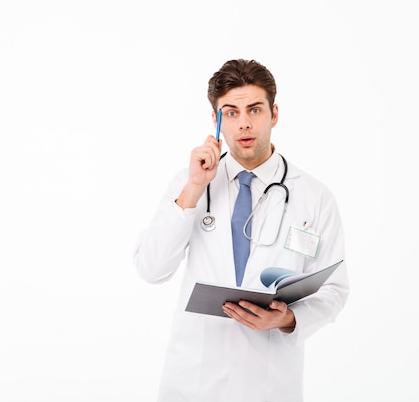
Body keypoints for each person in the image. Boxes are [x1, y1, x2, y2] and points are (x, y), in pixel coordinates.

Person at [133, 59, 349, 402]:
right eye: (230, 113)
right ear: (216, 121)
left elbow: (334, 291)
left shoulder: (314, 197)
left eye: (255, 110)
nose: (244, 123)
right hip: (193, 382)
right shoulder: (190, 184)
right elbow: (152, 268)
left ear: (274, 114)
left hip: (268, 384)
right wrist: (192, 189)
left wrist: (288, 318)